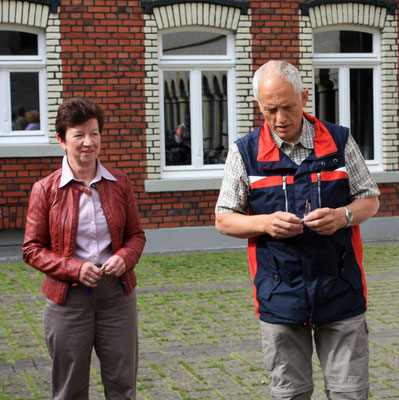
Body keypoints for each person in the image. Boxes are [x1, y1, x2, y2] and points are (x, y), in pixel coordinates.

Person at [215, 60, 380, 399]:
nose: (280, 119)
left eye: (287, 107)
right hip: (280, 295)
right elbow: (224, 219)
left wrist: (343, 216)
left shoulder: (339, 141)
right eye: (269, 109)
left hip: (340, 289)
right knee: (290, 393)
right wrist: (264, 223)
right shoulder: (244, 153)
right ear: (258, 105)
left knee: (350, 392)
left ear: (304, 97)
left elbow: (370, 199)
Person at [22, 98, 146, 400]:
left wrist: (124, 258)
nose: (88, 143)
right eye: (78, 135)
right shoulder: (45, 189)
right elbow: (31, 248)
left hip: (116, 295)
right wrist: (74, 268)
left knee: (122, 385)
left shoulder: (120, 182)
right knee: (70, 389)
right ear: (62, 140)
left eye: (94, 133)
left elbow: (136, 236)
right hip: (68, 298)